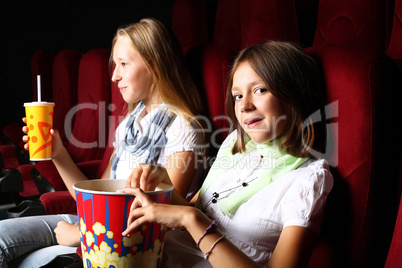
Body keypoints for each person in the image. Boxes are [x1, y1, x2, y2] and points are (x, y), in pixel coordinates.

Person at [0, 18, 205, 268]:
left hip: (129, 242)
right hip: (93, 222)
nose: (114, 76)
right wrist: (58, 154)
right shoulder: (129, 122)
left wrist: (81, 234)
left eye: (123, 64)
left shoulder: (184, 127)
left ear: (154, 65)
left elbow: (164, 218)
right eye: (114, 65)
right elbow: (94, 196)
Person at [119, 41, 334, 267]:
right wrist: (165, 185)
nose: (244, 106)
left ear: (294, 94)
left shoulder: (308, 180)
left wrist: (190, 219)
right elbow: (196, 209)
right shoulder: (235, 145)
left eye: (260, 90)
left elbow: (191, 218)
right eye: (238, 96)